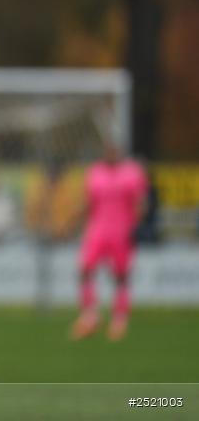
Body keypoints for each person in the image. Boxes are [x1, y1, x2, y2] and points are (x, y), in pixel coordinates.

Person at [70, 141, 147, 341]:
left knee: (121, 276)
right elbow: (88, 201)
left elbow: (140, 202)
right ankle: (90, 316)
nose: (111, 153)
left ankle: (119, 320)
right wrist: (73, 221)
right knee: (85, 270)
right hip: (96, 230)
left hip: (122, 230)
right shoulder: (95, 172)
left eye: (115, 150)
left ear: (121, 152)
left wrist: (137, 225)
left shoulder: (132, 172)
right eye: (108, 150)